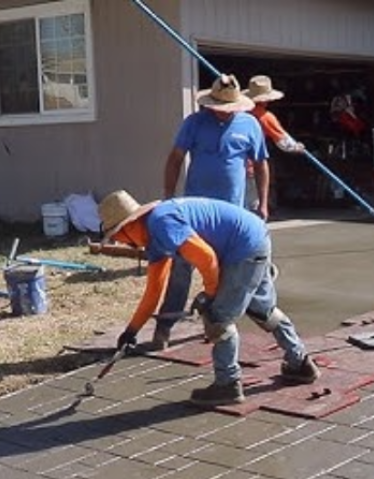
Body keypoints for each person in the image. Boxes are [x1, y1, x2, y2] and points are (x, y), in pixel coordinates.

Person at [98, 189, 320, 408]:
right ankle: (300, 363)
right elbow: (154, 291)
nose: (124, 244)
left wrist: (211, 295)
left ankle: (228, 384)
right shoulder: (156, 234)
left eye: (119, 237)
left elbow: (206, 257)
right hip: (254, 237)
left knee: (218, 317)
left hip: (242, 248)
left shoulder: (161, 222)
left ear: (128, 226)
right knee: (262, 309)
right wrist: (131, 331)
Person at [152, 73, 271, 351]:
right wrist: (168, 198)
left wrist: (263, 202)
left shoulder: (250, 124)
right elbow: (175, 159)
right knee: (181, 269)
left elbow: (261, 164)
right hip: (194, 216)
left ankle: (218, 326)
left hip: (230, 218)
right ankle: (164, 328)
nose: (221, 112)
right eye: (216, 106)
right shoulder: (194, 123)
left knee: (227, 273)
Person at [242, 75, 305, 212]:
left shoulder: (237, 112)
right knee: (251, 208)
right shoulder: (265, 117)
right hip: (251, 169)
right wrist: (297, 147)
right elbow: (284, 142)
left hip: (233, 166)